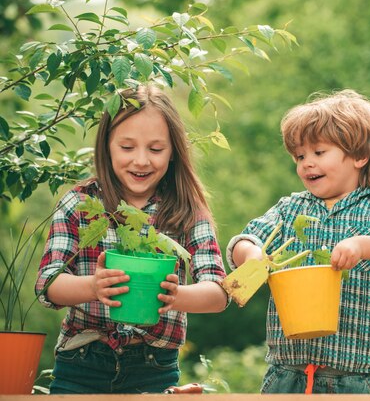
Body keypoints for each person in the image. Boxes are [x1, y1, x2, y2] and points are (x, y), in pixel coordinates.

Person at [227, 89, 370, 400]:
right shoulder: (290, 209)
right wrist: (252, 254)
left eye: (319, 153)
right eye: (300, 156)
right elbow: (246, 238)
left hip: (356, 376)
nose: (307, 164)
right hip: (288, 374)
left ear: (360, 156)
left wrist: (362, 246)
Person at [36, 85, 228, 394]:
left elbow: (218, 292)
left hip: (154, 367)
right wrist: (93, 287)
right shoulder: (80, 203)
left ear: (173, 152)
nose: (141, 161)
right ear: (107, 146)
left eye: (155, 150)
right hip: (81, 362)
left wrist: (176, 296)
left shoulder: (186, 209)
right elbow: (47, 284)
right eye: (127, 148)